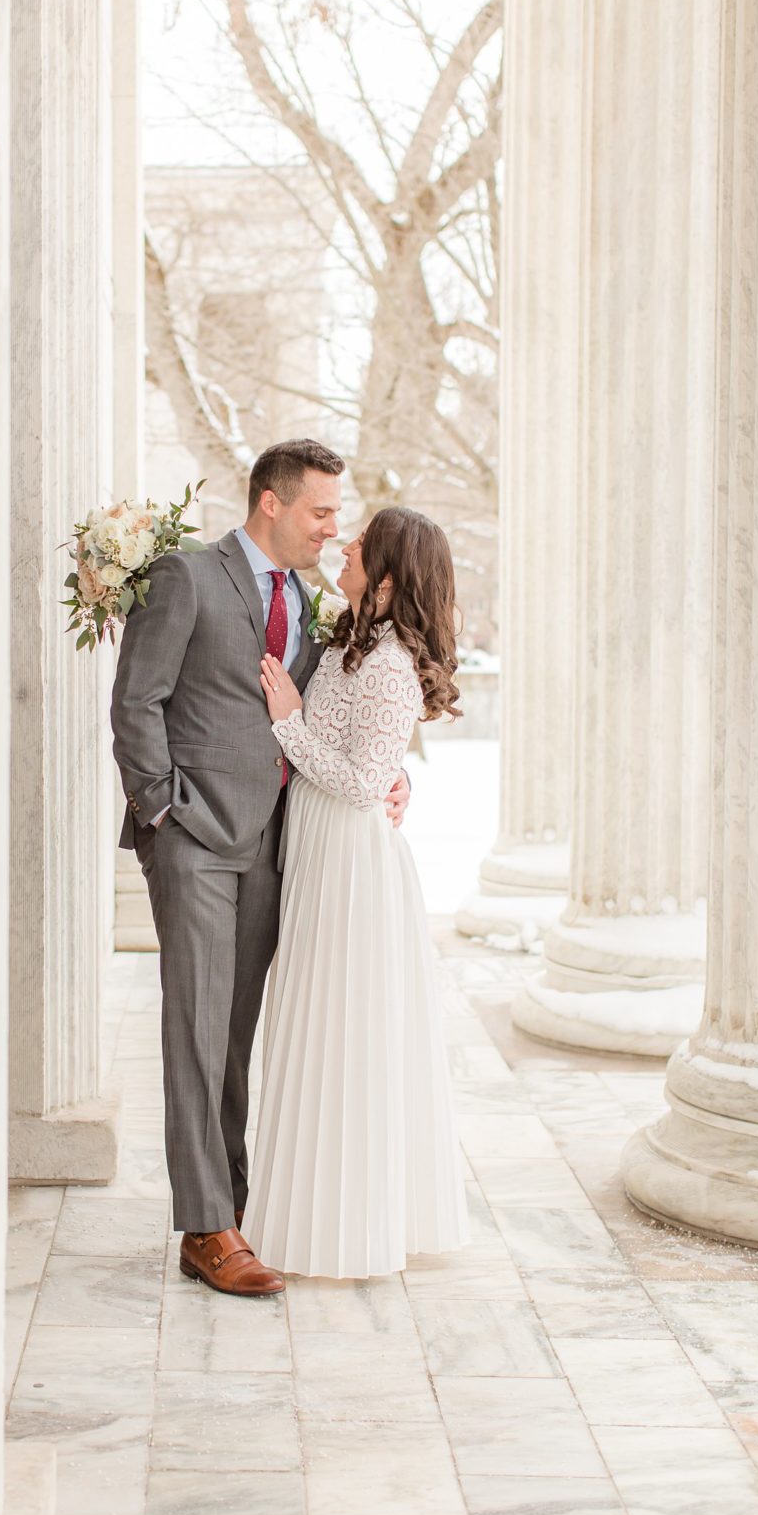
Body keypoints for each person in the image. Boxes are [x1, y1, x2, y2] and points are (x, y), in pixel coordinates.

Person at [110, 439, 411, 1297]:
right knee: (196, 1032)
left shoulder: (312, 605)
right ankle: (207, 1227)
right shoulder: (187, 577)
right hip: (197, 840)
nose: (332, 529)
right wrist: (163, 811)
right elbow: (138, 702)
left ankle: (231, 1211)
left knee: (238, 1036)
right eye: (321, 511)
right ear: (272, 504)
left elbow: (345, 717)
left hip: (281, 847)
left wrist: (395, 773)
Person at [244, 506, 472, 1278]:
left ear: (387, 574)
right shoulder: (351, 639)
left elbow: (361, 780)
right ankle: (303, 1205)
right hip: (319, 851)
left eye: (360, 544)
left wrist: (288, 723)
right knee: (312, 1026)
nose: (343, 546)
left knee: (342, 1033)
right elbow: (372, 767)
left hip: (351, 869)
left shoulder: (389, 665)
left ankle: (343, 1223)